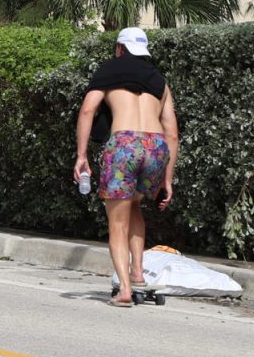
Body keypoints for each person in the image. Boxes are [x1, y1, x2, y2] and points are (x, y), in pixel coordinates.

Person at [73, 27, 178, 307]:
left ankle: (126, 291)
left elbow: (87, 110)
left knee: (116, 223)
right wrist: (168, 178)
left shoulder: (109, 71)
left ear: (120, 48)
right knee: (134, 206)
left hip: (124, 144)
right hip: (156, 148)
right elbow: (172, 134)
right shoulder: (159, 81)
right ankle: (138, 274)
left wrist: (81, 155)